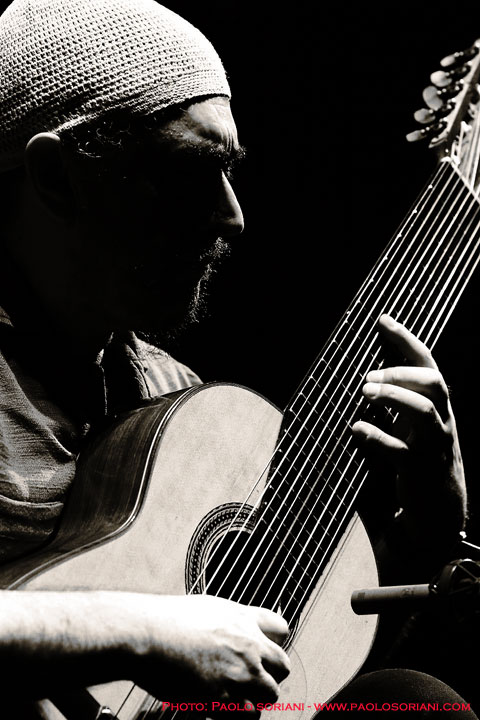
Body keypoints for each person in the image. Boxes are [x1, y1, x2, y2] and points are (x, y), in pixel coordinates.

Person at [0, 0, 473, 717]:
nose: (233, 216)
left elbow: (294, 671)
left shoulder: (179, 407)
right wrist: (138, 632)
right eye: (195, 172)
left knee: (412, 704)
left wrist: (428, 528)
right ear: (58, 177)